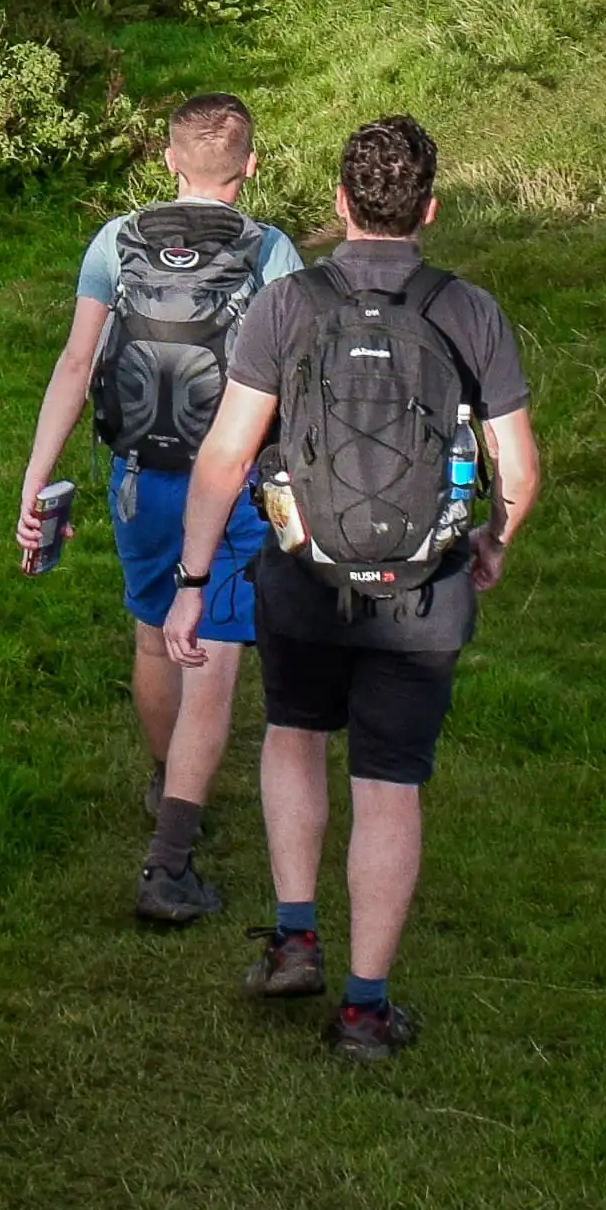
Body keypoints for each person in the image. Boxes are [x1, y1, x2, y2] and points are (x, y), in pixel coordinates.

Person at [160, 110, 536, 1059]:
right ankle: (366, 1008)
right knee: (389, 784)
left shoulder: (289, 306)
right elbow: (519, 470)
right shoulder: (470, 310)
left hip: (300, 577)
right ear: (431, 210)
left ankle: (295, 937)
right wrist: (492, 539)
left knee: (293, 737)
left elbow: (226, 454)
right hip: (424, 591)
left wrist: (194, 580)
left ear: (337, 204)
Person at [15, 94, 306, 930]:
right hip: (235, 480)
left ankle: (163, 777)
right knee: (211, 658)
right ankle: (169, 863)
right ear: (249, 167)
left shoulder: (116, 240)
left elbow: (78, 362)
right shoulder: (272, 251)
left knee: (153, 633)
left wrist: (36, 478)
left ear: (168, 162)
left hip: (140, 476)